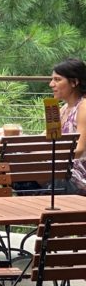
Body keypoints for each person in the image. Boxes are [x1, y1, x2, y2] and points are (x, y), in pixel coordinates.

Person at [51, 57, 86, 193]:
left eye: (57, 79)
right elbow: (45, 139)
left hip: (77, 173)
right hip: (60, 167)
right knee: (15, 168)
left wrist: (47, 156)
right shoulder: (62, 109)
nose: (51, 84)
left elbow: (80, 150)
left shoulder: (83, 107)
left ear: (74, 82)